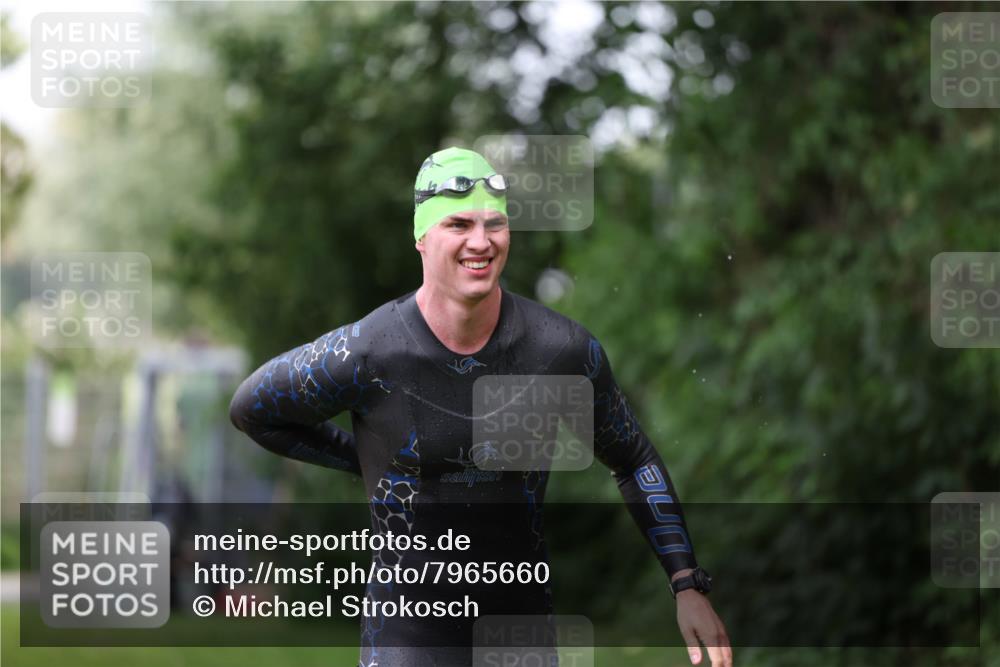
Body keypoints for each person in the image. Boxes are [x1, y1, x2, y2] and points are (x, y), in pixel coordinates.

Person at [229, 147, 732, 667]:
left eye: (495, 223)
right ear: (422, 237)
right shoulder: (368, 354)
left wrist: (686, 583)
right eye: (459, 223)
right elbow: (253, 409)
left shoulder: (558, 351)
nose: (481, 241)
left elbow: (633, 459)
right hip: (409, 638)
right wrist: (356, 456)